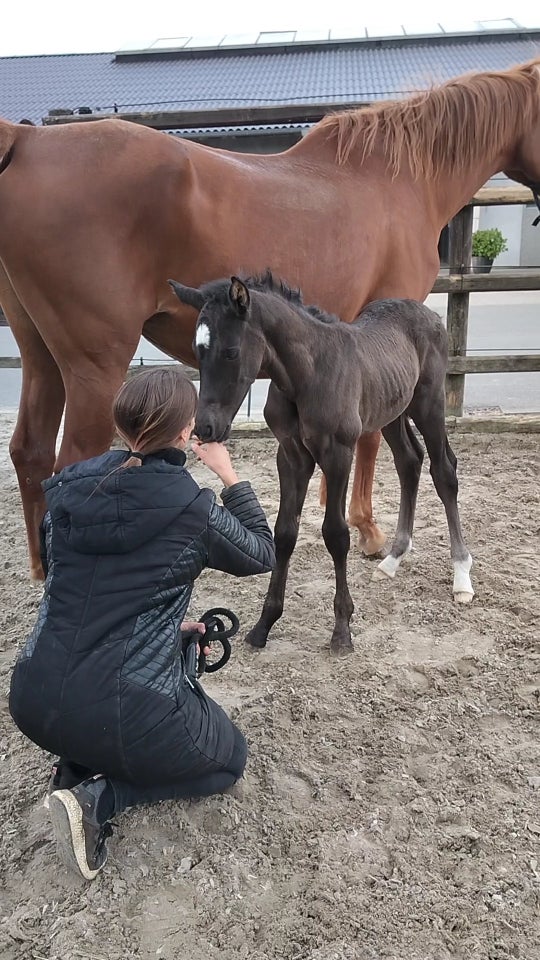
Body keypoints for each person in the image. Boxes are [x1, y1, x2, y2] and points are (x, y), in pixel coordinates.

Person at [9, 368, 275, 881]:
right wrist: (230, 476)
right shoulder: (193, 508)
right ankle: (101, 797)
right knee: (228, 760)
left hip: (33, 698)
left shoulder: (65, 490)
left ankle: (74, 765)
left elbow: (81, 590)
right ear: (185, 432)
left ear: (121, 427)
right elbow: (260, 552)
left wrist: (166, 629)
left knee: (106, 706)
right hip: (122, 708)